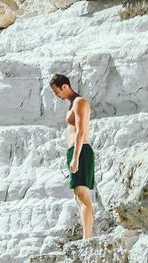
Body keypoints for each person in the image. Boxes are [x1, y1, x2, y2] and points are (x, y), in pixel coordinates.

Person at [49, 73, 95, 239]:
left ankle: (87, 237)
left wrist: (76, 156)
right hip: (74, 150)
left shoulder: (79, 102)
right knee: (78, 195)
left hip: (81, 149)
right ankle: (87, 235)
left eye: (56, 92)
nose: (57, 95)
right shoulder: (71, 104)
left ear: (65, 86)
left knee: (82, 193)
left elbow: (81, 130)